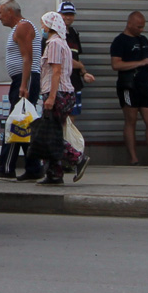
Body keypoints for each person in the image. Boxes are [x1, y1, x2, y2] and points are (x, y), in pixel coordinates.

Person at [0, 0, 43, 181]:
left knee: (15, 122)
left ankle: (7, 167)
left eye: (1, 13)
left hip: (26, 79)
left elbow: (28, 58)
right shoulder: (18, 29)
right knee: (22, 123)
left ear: (11, 12)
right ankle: (34, 168)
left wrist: (24, 84)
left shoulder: (23, 27)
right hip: (22, 79)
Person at [37, 11, 88, 184]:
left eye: (43, 24)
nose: (42, 27)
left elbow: (56, 71)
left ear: (50, 25)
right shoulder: (60, 43)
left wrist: (51, 98)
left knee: (51, 136)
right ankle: (54, 174)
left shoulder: (54, 44)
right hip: (61, 93)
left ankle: (77, 159)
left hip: (58, 94)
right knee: (52, 132)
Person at [110, 11, 148, 166]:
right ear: (130, 24)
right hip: (128, 85)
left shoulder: (143, 40)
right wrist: (140, 63)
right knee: (131, 120)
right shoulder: (120, 41)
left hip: (144, 85)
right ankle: (133, 158)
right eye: (139, 27)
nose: (141, 30)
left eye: (143, 27)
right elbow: (116, 65)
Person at [57, 1, 96, 114]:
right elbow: (61, 59)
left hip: (74, 82)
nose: (68, 17)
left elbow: (76, 57)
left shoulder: (74, 33)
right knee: (64, 118)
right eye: (65, 14)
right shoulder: (56, 34)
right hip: (62, 84)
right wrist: (80, 66)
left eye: (71, 14)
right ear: (58, 14)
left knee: (72, 117)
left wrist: (84, 73)